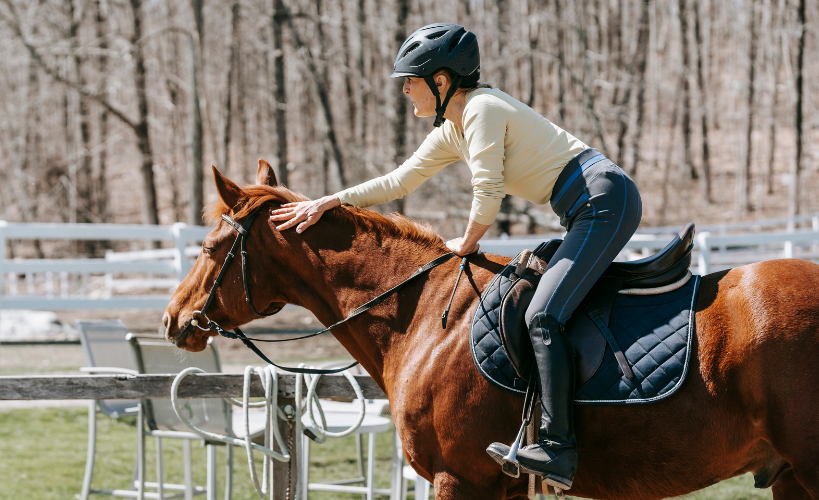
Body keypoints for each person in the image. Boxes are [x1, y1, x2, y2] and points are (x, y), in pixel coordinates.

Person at [269, 22, 641, 490]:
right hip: (585, 207)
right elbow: (398, 182)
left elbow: (489, 189)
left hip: (603, 201)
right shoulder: (453, 127)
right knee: (534, 298)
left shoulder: (482, 108)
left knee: (543, 314)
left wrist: (465, 244)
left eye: (411, 79)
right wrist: (330, 201)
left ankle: (559, 447)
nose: (405, 89)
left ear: (441, 82)